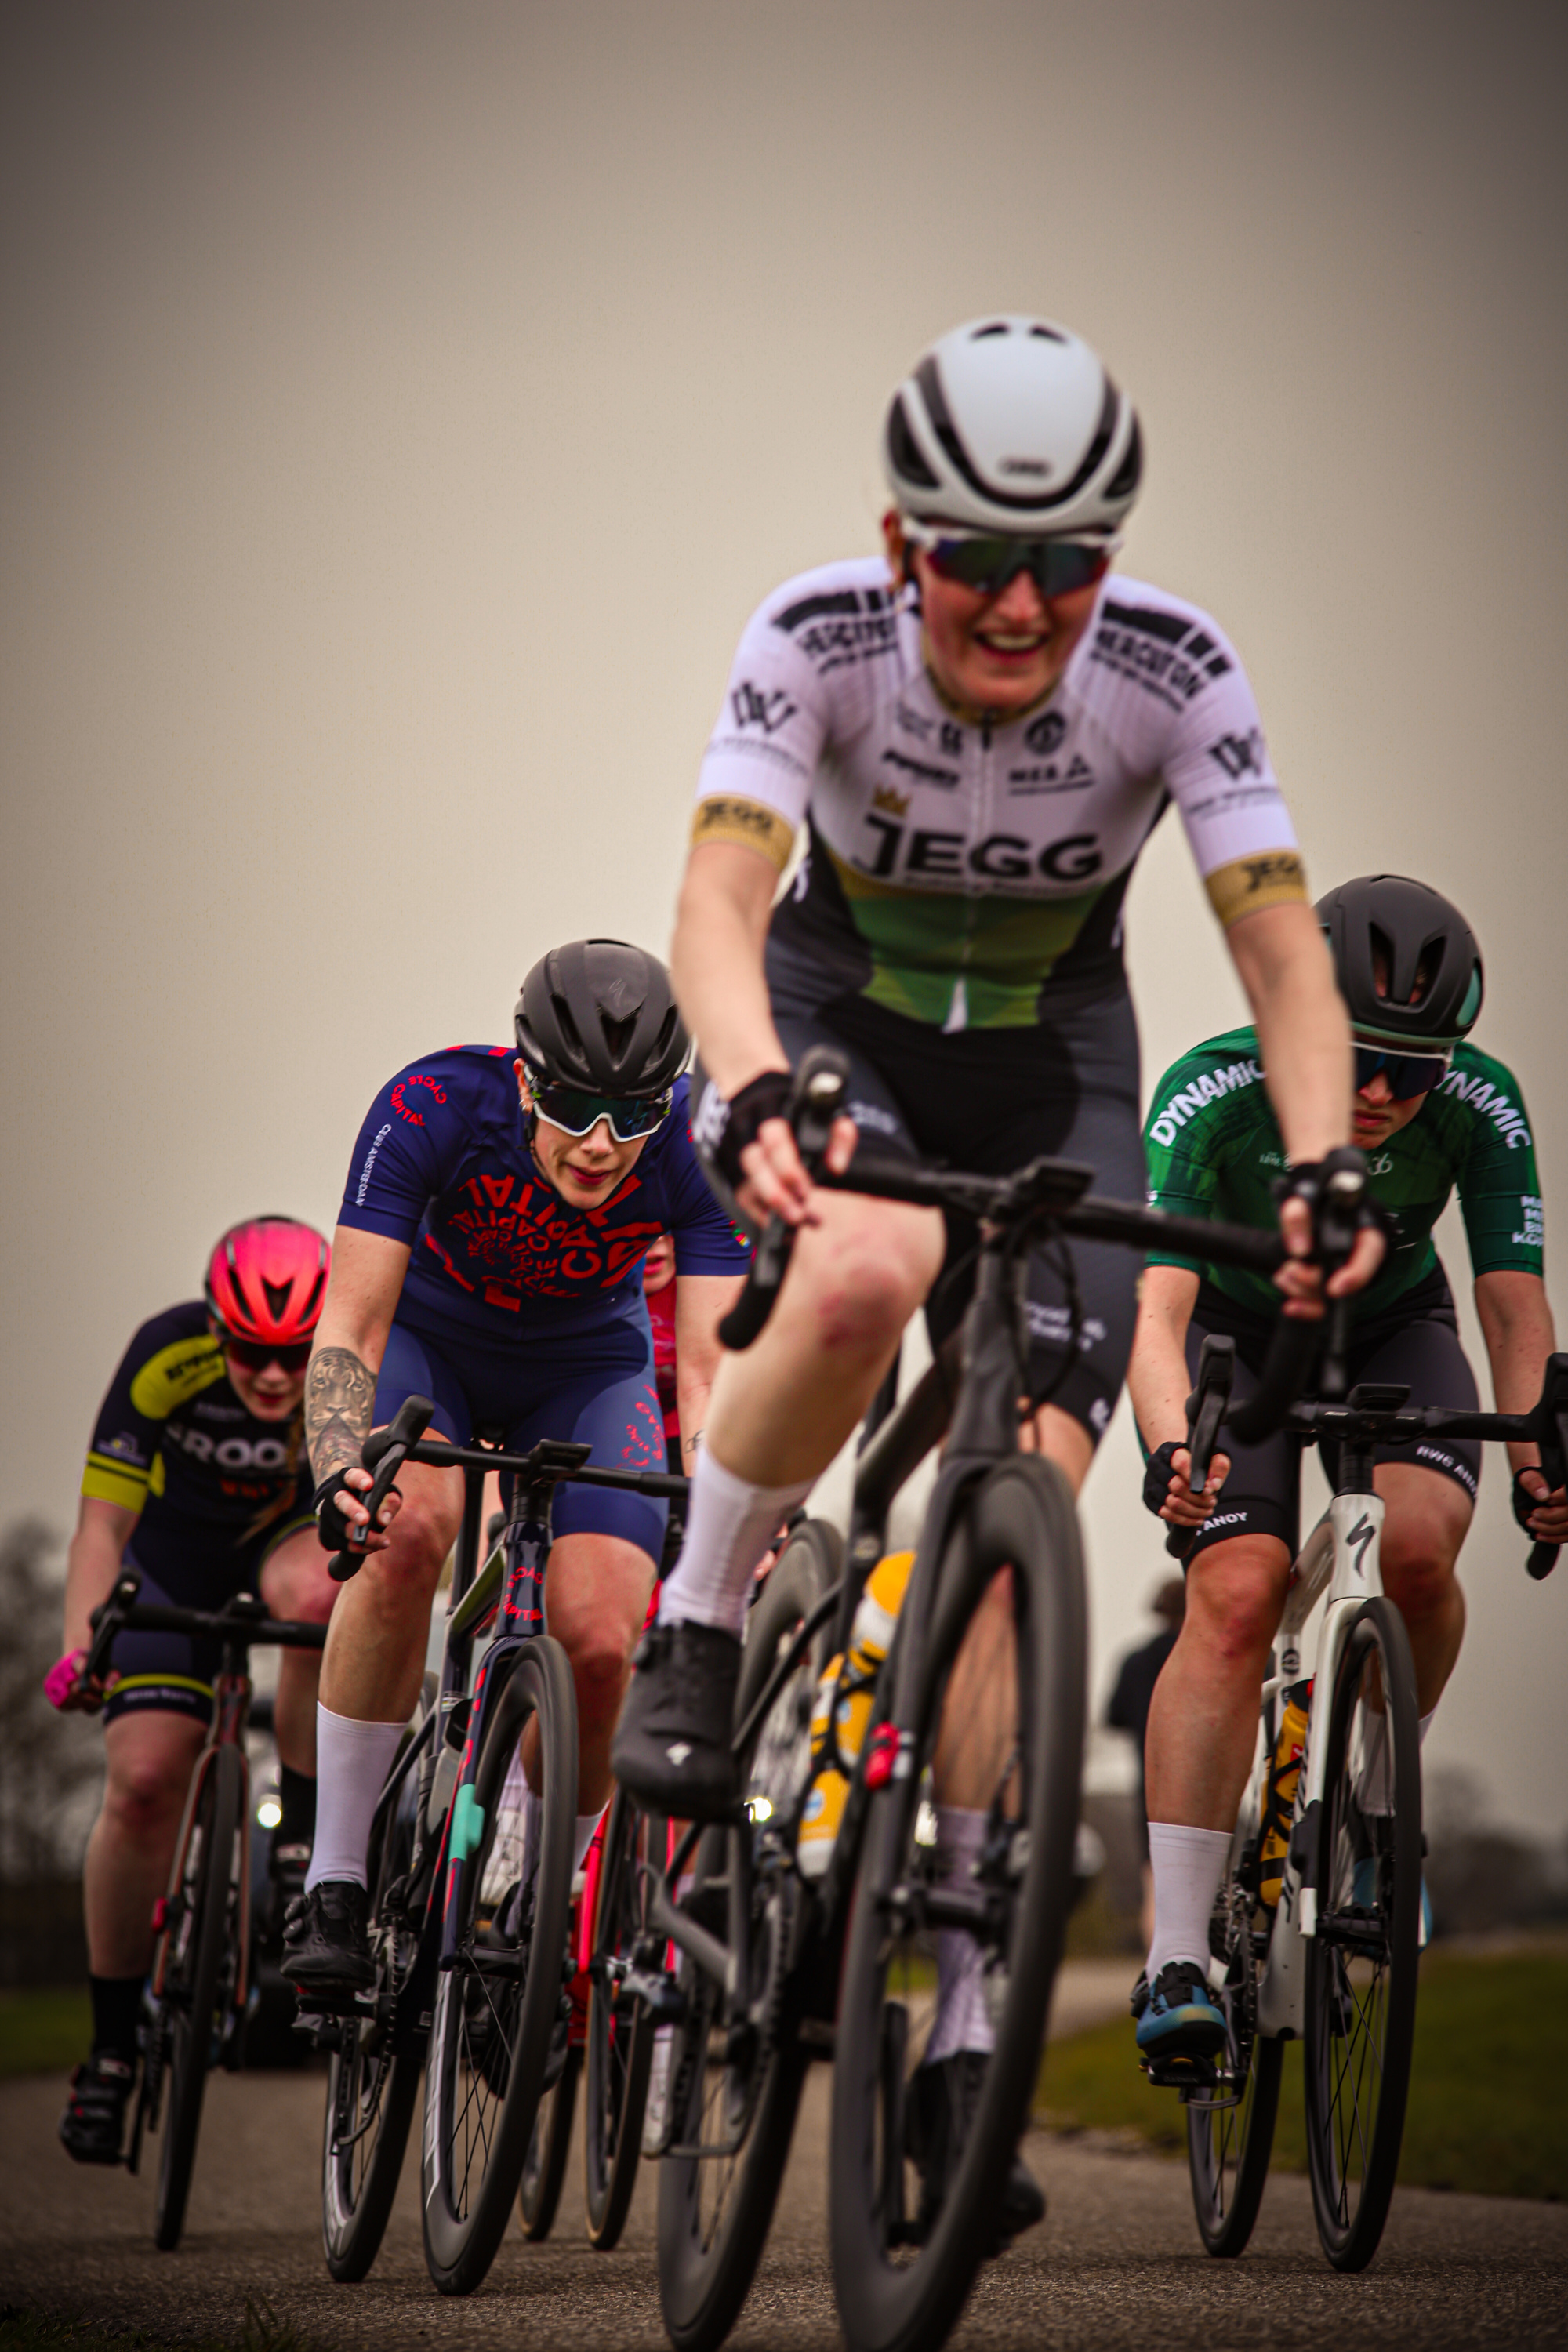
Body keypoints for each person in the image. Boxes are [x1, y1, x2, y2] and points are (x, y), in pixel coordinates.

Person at [612, 314, 1382, 2226]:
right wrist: (746, 1090)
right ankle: (705, 1619)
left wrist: (1320, 1164)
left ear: (1106, 558)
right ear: (899, 541)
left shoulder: (1171, 666)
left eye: (1066, 562)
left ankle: (960, 2027)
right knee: (864, 1266)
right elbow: (714, 901)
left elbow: (1279, 953)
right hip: (839, 1022)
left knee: (1027, 1488)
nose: (1021, 605)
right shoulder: (813, 637)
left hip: (1056, 1057)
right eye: (975, 558)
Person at [1127, 873, 1568, 2069]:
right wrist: (1175, 1448)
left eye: (1414, 1073)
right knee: (1233, 1594)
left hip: (1389, 1326)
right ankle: (1176, 1950)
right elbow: (1156, 1313)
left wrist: (1541, 1460)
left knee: (1420, 1549)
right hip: (1236, 1335)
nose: (1382, 1094)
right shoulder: (1214, 1090)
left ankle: (1375, 1809)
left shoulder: (1480, 1104)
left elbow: (1514, 1311)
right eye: (1359, 1060)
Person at [283, 940, 750, 1995]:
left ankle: (549, 1894)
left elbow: (712, 1380)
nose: (600, 1144)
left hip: (586, 1367)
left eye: (633, 1115)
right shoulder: (433, 1105)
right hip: (430, 1350)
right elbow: (351, 1323)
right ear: (526, 1074)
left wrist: (723, 1518)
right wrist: (336, 1465)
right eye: (576, 1107)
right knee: (404, 1537)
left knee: (596, 1640)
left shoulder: (695, 1156)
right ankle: (338, 1879)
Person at [49, 1217, 336, 2162]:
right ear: (215, 1328)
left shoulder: (345, 1361)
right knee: (140, 1784)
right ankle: (110, 2050)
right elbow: (101, 1526)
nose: (273, 1378)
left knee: (320, 1593)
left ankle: (299, 1838)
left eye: (293, 1356)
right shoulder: (162, 1355)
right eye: (251, 1353)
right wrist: (82, 1646)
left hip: (280, 1545)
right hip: (169, 1564)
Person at [1105, 1577, 1187, 1947]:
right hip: (1214, 1777)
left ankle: (1159, 1966)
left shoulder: (1136, 1661)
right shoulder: (1220, 1654)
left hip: (1151, 1776)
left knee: (1153, 1872)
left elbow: (1114, 1716)